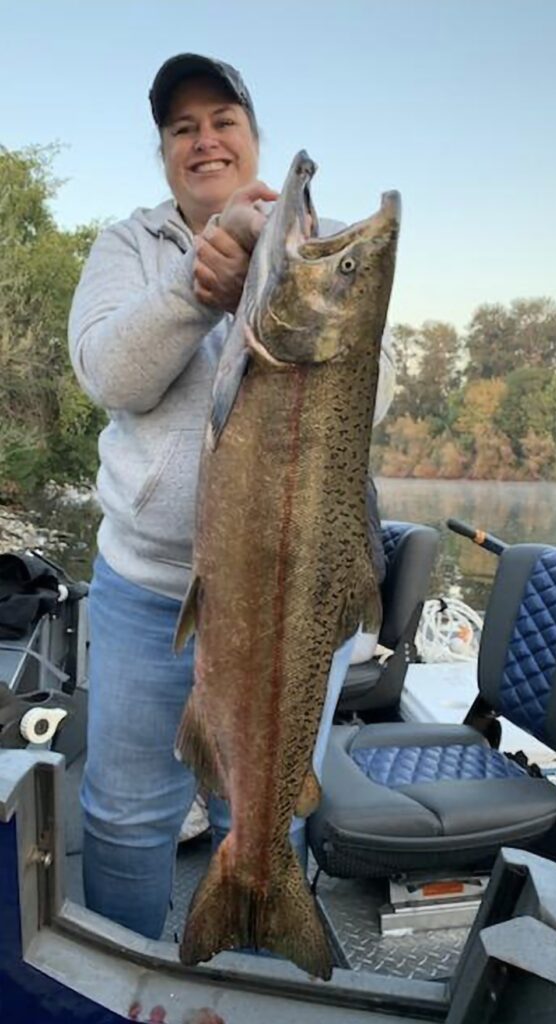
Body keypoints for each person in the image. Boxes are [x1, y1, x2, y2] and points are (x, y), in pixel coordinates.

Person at [68, 53, 395, 942]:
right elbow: (109, 372)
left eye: (223, 121)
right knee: (125, 819)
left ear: (253, 136)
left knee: (268, 814)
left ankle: (260, 961)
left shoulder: (314, 252)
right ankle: (128, 979)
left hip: (298, 601)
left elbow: (381, 387)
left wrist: (277, 279)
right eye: (183, 128)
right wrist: (196, 288)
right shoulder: (129, 247)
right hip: (145, 596)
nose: (204, 139)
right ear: (166, 151)